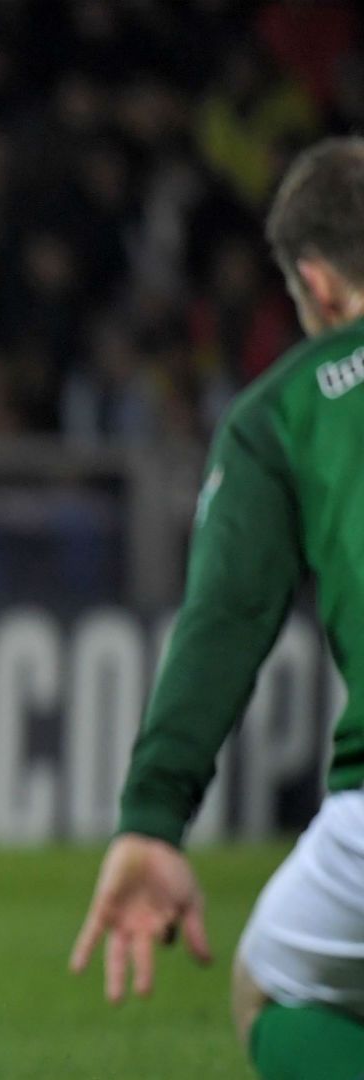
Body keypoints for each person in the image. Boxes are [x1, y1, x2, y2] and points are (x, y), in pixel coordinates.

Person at [70, 136, 364, 1080]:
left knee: (272, 988)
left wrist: (152, 817)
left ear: (316, 286)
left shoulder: (282, 413)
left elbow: (225, 620)